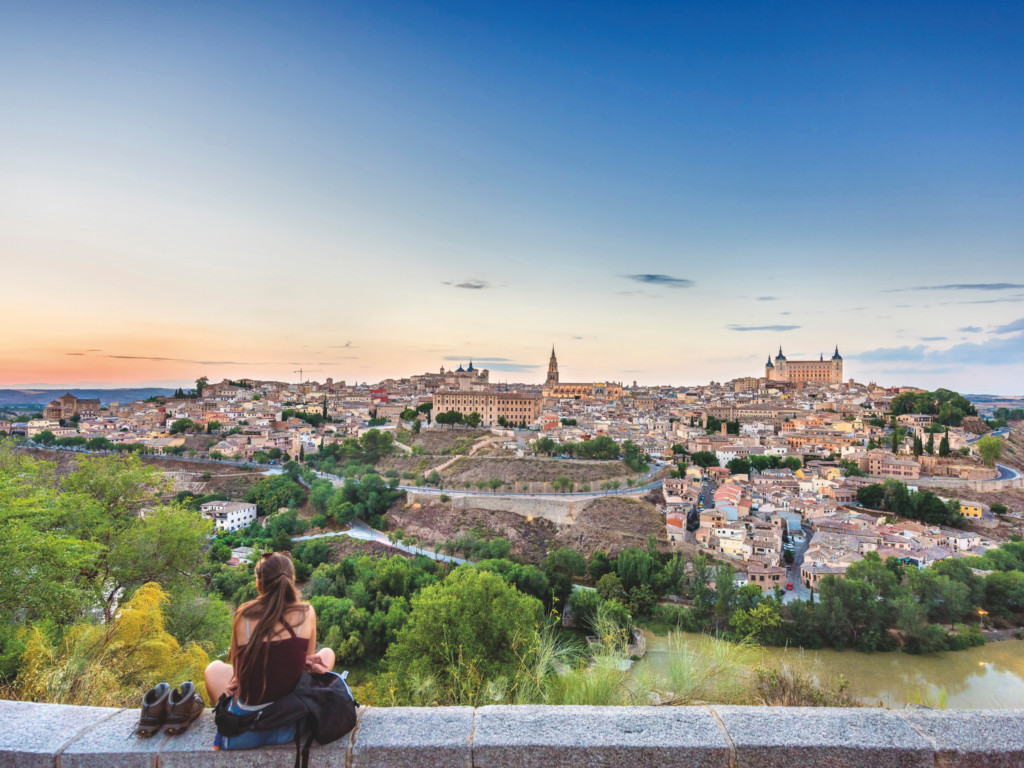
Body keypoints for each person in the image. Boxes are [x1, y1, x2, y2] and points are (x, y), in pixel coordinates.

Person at [204, 552, 336, 749]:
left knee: (213, 669)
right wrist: (300, 661)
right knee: (327, 654)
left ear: (259, 585)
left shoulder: (244, 615)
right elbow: (308, 662)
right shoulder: (306, 613)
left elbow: (238, 670)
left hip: (246, 730)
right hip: (290, 725)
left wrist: (239, 680)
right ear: (291, 582)